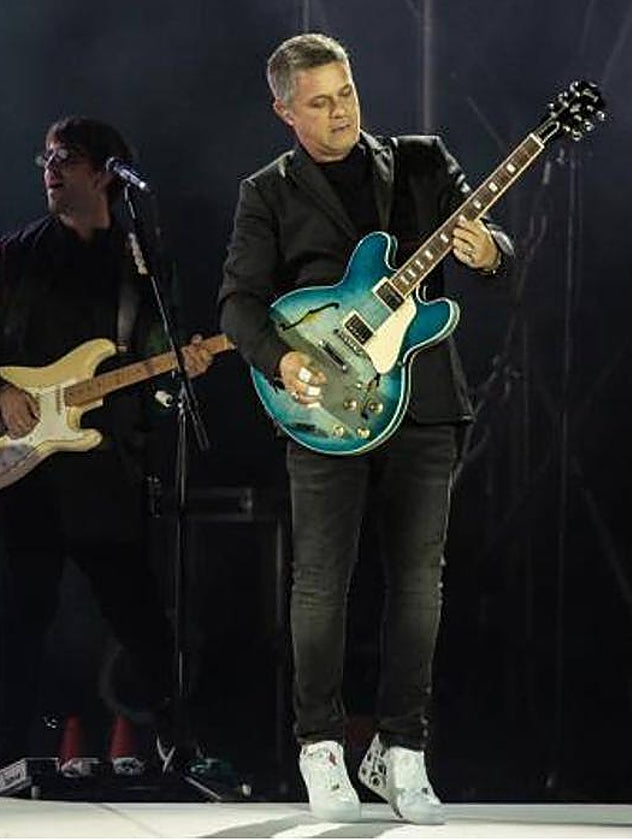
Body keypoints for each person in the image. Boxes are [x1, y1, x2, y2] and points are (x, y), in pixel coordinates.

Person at [218, 33, 514, 823]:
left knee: (419, 584)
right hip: (321, 404)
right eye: (318, 101)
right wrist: (281, 362)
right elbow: (239, 304)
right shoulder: (268, 193)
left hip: (421, 400)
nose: (340, 110)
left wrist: (488, 251)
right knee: (321, 582)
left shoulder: (421, 162)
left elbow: (497, 256)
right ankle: (319, 743)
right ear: (285, 110)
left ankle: (401, 749)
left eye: (345, 92)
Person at [0, 116, 214, 775]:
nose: (50, 167)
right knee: (24, 614)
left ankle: (179, 746)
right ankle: (8, 758)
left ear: (106, 173)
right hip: (24, 466)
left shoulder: (139, 261)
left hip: (106, 466)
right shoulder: (15, 254)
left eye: (67, 157)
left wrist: (179, 363)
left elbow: (153, 351)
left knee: (141, 617)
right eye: (48, 157)